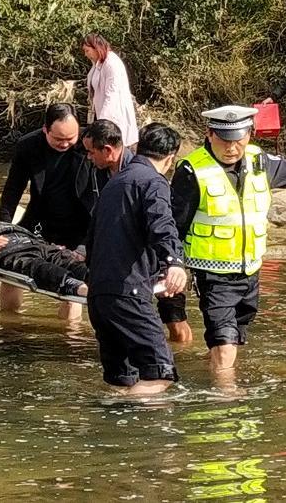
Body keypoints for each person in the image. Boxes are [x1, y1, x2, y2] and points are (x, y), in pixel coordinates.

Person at [158, 105, 286, 380]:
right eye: (224, 139)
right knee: (224, 343)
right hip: (213, 275)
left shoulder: (260, 161)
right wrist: (172, 267)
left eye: (239, 139)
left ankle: (203, 373)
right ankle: (227, 398)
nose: (232, 148)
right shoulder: (192, 170)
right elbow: (173, 226)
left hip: (250, 273)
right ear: (209, 134)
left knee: (231, 340)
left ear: (249, 134)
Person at [86, 123, 187, 395]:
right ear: (170, 159)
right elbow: (162, 225)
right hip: (128, 293)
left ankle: (113, 419)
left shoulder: (113, 183)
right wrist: (174, 262)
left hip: (99, 297)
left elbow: (91, 240)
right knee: (160, 374)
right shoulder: (153, 181)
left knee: (121, 381)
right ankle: (136, 417)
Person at [0, 103, 96, 318]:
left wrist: (86, 245)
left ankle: (69, 333)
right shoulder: (28, 146)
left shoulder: (90, 144)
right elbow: (12, 191)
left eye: (71, 138)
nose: (65, 143)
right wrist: (1, 228)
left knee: (73, 281)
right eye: (58, 139)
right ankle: (9, 326)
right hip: (40, 218)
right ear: (45, 130)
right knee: (12, 270)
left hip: (81, 222)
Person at [82, 33, 139, 149]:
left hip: (114, 116)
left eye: (87, 51)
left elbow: (112, 95)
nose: (86, 54)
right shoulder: (98, 63)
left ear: (96, 48)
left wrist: (102, 122)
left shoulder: (112, 63)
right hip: (103, 115)